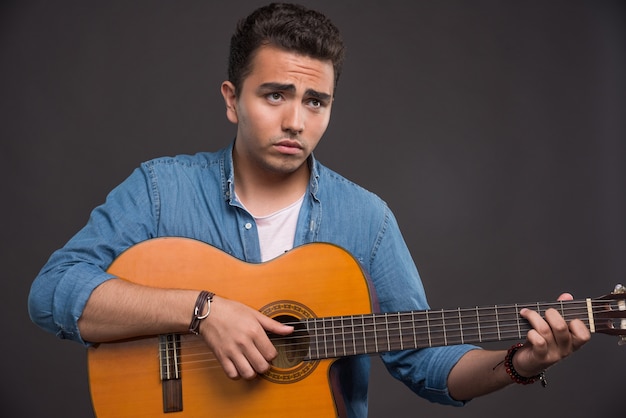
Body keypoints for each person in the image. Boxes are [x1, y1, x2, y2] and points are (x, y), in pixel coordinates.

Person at [28, 3, 590, 417]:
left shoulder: (366, 221)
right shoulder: (158, 190)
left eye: (315, 101)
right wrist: (201, 310)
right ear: (232, 99)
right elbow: (53, 292)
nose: (296, 120)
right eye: (275, 94)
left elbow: (425, 364)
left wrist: (522, 363)